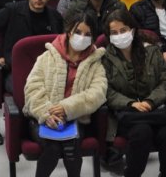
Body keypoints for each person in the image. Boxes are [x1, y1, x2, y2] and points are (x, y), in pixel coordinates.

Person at [102, 9, 166, 177]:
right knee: (142, 132)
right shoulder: (105, 58)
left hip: (157, 110)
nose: (119, 35)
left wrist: (150, 101)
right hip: (127, 114)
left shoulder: (152, 52)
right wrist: (131, 103)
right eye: (114, 33)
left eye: (123, 30)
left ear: (132, 30)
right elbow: (106, 91)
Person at [23, 14, 106, 177]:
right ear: (69, 32)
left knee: (71, 151)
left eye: (88, 34)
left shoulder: (95, 62)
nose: (82, 37)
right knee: (51, 150)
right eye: (78, 32)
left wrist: (66, 108)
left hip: (75, 119)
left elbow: (98, 93)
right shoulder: (47, 57)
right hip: (43, 117)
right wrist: (47, 113)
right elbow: (32, 88)